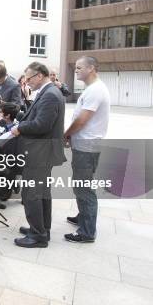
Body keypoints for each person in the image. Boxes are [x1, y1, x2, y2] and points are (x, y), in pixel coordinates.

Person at [10, 62, 66, 248]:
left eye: (29, 78)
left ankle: (37, 235)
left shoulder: (50, 94)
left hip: (40, 153)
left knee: (32, 193)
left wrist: (20, 128)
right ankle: (42, 229)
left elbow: (42, 124)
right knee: (42, 193)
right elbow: (37, 116)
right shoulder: (48, 92)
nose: (26, 82)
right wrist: (18, 117)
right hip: (43, 152)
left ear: (39, 76)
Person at [63, 56, 110, 243]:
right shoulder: (93, 89)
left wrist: (66, 135)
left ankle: (87, 232)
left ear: (91, 68)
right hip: (86, 145)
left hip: (87, 146)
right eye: (75, 68)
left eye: (79, 67)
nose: (76, 70)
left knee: (83, 188)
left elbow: (82, 120)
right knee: (82, 185)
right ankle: (83, 217)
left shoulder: (96, 90)